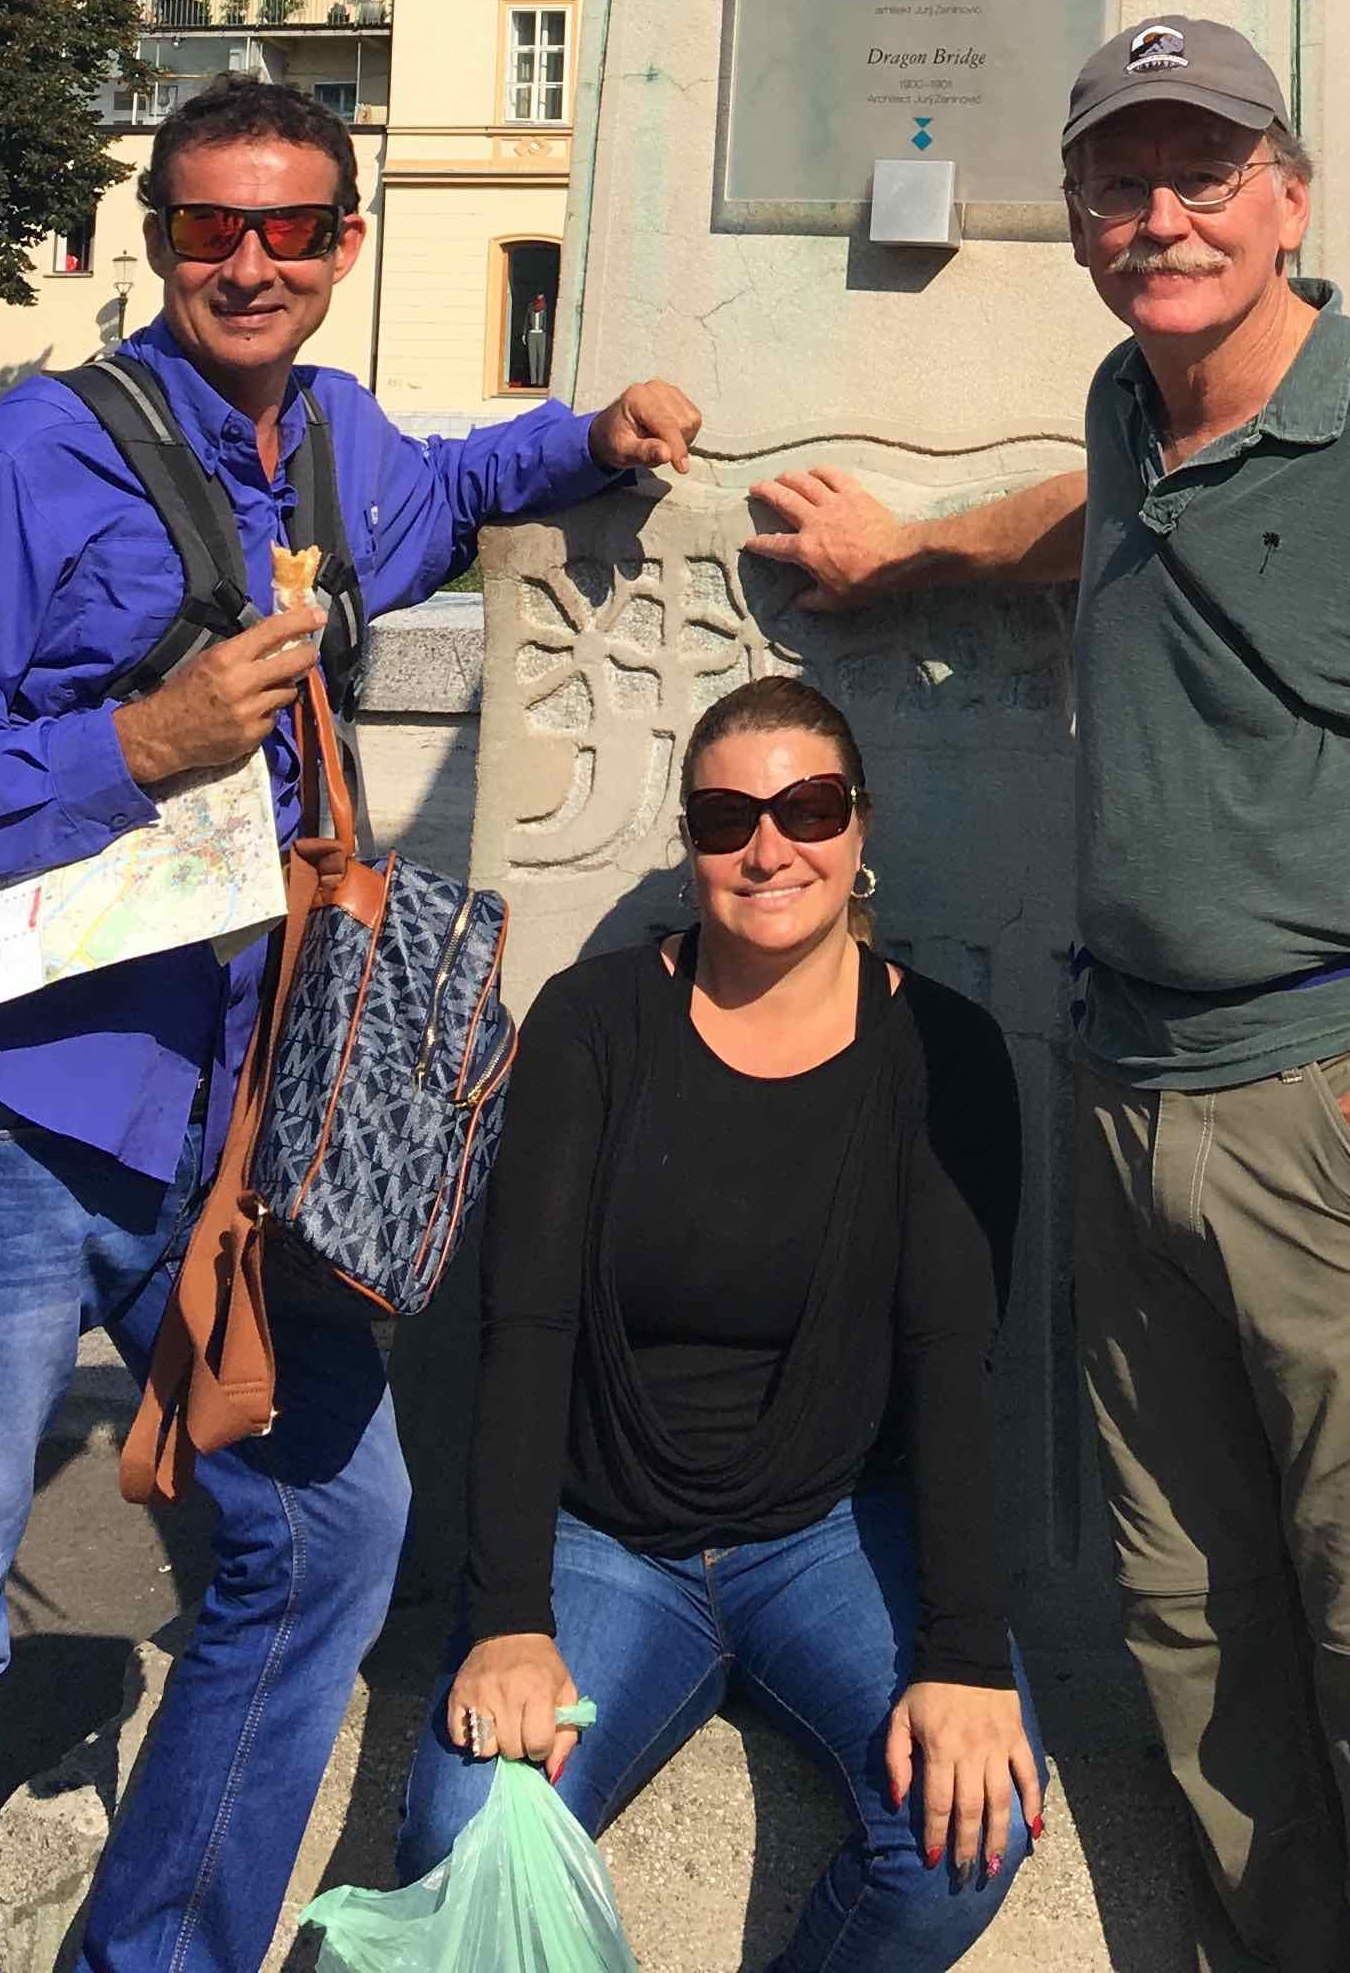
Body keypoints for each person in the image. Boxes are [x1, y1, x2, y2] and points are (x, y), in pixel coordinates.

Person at [746, 14, 1350, 1973]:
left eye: (1204, 175)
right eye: (1121, 183)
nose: (1162, 217)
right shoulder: (1128, 412)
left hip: (1348, 1123)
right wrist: (906, 557)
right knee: (1202, 1652)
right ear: (1077, 216)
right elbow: (1096, 523)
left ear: (1290, 200)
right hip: (1135, 1110)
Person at [0, 76, 703, 1973]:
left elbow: (448, 490)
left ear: (343, 247)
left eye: (290, 227)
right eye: (211, 225)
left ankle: (160, 1954)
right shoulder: (26, 463)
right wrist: (136, 745)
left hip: (228, 1127)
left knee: (323, 1540)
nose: (250, 259)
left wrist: (587, 438)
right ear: (157, 240)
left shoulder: (334, 446)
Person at [401, 677, 1041, 1961]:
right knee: (465, 1831)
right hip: (604, 1544)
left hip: (829, 1535)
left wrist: (963, 1655)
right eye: (725, 817)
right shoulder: (593, 1025)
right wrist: (508, 1617)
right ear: (689, 844)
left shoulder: (948, 1052)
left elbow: (952, 1361)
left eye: (807, 807)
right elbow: (522, 1328)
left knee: (961, 1842)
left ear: (862, 828)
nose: (769, 847)